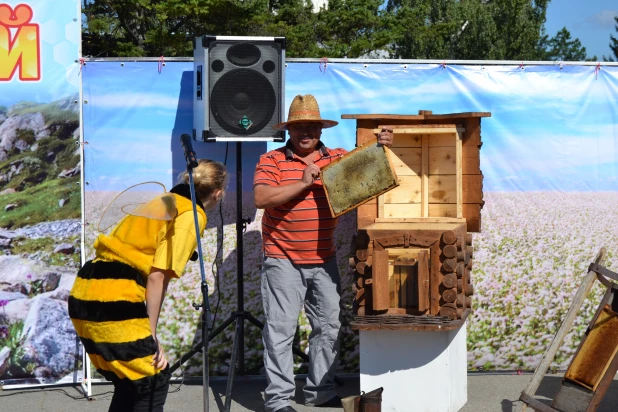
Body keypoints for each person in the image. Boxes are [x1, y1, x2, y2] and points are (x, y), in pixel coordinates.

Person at [253, 94, 394, 412]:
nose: (306, 132)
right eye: (299, 126)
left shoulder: (339, 158)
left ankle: (319, 391)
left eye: (312, 126)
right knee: (280, 329)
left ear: (321, 128)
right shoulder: (272, 161)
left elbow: (371, 176)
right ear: (289, 130)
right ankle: (277, 401)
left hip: (324, 259)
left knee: (329, 327)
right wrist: (303, 183)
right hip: (282, 259)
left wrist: (382, 148)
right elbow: (262, 198)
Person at [69, 159, 227, 412]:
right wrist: (151, 335)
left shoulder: (164, 200)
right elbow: (157, 277)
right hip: (113, 297)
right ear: (218, 193)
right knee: (153, 379)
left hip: (87, 289)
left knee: (131, 379)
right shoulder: (192, 215)